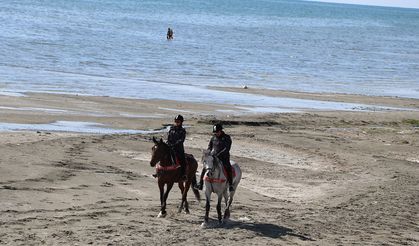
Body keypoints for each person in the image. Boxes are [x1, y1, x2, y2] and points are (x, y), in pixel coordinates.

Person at [195, 123, 234, 192]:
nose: (216, 133)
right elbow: (210, 147)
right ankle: (200, 183)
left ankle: (230, 185)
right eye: (215, 132)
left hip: (224, 157)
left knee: (228, 167)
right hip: (214, 157)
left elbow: (227, 148)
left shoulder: (227, 138)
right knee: (205, 167)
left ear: (221, 131)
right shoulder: (213, 138)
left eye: (217, 132)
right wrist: (208, 153)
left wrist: (218, 154)